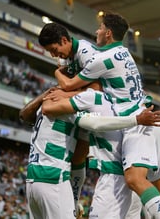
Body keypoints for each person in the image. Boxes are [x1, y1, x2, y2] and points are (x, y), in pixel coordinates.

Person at [46, 12, 160, 218]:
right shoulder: (123, 53)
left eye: (99, 28)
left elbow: (71, 85)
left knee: (134, 179)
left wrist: (58, 72)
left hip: (137, 122)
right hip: (149, 119)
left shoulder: (101, 58)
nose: (96, 32)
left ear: (108, 33)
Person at [19, 86, 160, 219]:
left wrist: (44, 95)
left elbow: (24, 114)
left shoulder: (52, 99)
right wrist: (136, 120)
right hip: (53, 177)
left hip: (32, 181)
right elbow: (95, 124)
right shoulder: (73, 104)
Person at [38, 22, 100, 215]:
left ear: (64, 40)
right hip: (84, 103)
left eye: (54, 50)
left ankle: (76, 201)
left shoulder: (86, 53)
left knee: (81, 153)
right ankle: (73, 202)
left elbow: (97, 90)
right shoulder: (67, 56)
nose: (54, 55)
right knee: (76, 156)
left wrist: (60, 80)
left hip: (101, 106)